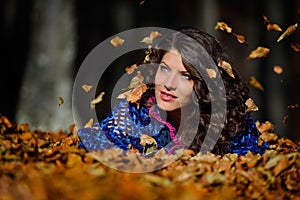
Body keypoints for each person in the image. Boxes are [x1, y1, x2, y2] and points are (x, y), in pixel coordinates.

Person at [78, 27, 269, 156]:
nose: (168, 84)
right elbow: (91, 143)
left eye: (186, 76)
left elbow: (256, 160)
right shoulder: (136, 110)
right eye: (164, 69)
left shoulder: (229, 121)